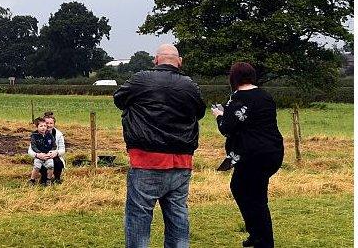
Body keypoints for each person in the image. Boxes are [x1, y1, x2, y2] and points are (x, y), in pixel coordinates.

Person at [113, 44, 206, 248]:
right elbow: (200, 111)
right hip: (181, 160)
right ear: (179, 62)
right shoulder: (190, 85)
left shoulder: (141, 79)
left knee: (139, 216)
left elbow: (119, 99)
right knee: (178, 216)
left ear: (155, 60)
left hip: (146, 158)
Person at [211, 62, 283, 248]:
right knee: (253, 193)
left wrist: (219, 115)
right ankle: (256, 234)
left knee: (249, 195)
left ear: (233, 78)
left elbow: (227, 128)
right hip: (272, 151)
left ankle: (263, 240)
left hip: (252, 155)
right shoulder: (264, 95)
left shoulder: (238, 99)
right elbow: (248, 120)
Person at [27, 117, 56, 185]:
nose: (43, 127)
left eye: (45, 126)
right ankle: (32, 180)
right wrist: (39, 153)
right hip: (39, 155)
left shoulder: (50, 135)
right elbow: (33, 146)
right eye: (41, 126)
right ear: (37, 127)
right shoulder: (34, 136)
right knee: (37, 167)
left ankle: (48, 179)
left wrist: (51, 152)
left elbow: (54, 145)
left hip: (48, 155)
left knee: (51, 166)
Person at [41, 112, 65, 184]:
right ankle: (44, 178)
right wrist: (38, 155)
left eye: (51, 123)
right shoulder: (36, 134)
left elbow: (62, 149)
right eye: (46, 123)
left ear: (54, 124)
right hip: (42, 156)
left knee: (58, 162)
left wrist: (56, 153)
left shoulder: (59, 134)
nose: (48, 125)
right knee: (41, 163)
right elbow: (30, 150)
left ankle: (57, 178)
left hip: (53, 155)